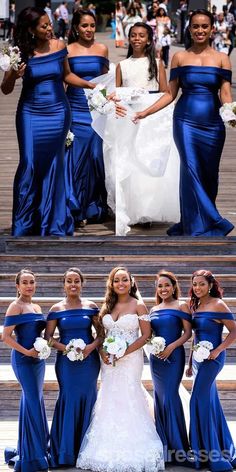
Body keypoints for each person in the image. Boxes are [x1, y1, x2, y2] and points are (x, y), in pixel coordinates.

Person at [132, 9, 234, 237]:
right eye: (195, 26)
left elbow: (226, 94)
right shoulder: (180, 57)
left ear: (211, 29)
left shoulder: (222, 58)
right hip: (185, 121)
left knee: (209, 174)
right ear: (189, 29)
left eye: (204, 26)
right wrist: (145, 112)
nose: (200, 30)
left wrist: (232, 115)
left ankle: (199, 220)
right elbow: (170, 94)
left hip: (213, 125)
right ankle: (210, 223)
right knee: (190, 170)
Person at [0, 7, 96, 236]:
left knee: (55, 165)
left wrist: (92, 86)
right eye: (43, 26)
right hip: (30, 113)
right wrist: (14, 74)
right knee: (30, 164)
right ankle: (24, 223)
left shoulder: (59, 46)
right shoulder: (19, 52)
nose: (49, 28)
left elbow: (66, 76)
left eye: (49, 23)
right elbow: (5, 89)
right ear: (31, 29)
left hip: (59, 112)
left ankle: (52, 222)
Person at [76, 266, 165, 472]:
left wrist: (124, 352)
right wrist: (103, 353)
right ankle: (104, 446)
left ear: (131, 282)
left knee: (129, 394)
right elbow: (101, 334)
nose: (121, 284)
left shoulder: (139, 306)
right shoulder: (107, 305)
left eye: (124, 279)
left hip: (131, 359)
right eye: (116, 280)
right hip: (108, 361)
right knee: (108, 395)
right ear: (112, 283)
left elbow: (145, 336)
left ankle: (135, 445)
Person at [115, 22, 180, 235]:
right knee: (132, 161)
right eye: (133, 35)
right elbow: (117, 93)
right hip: (131, 116)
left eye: (141, 35)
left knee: (149, 159)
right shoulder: (122, 65)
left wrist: (152, 110)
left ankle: (150, 209)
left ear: (149, 39)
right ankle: (134, 209)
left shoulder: (157, 63)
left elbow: (164, 91)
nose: (136, 39)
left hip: (151, 115)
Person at [45, 268, 103, 468]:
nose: (73, 284)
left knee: (89, 397)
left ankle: (86, 450)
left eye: (76, 281)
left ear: (82, 283)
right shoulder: (56, 309)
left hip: (89, 361)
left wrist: (89, 349)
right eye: (69, 281)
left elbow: (101, 335)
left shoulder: (91, 306)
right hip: (66, 363)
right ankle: (65, 451)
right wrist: (67, 349)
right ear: (63, 284)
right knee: (68, 398)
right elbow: (48, 338)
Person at [186, 270, 236, 471]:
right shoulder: (195, 305)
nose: (198, 288)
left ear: (210, 285)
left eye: (201, 284)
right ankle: (218, 450)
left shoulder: (218, 304)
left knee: (197, 399)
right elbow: (195, 337)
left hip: (213, 359)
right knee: (210, 402)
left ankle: (210, 454)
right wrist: (190, 363)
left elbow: (234, 330)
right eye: (195, 284)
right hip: (199, 359)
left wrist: (218, 351)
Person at [65, 9, 109, 228]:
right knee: (77, 158)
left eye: (92, 25)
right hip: (75, 107)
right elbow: (64, 78)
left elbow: (108, 79)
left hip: (97, 109)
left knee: (95, 158)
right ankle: (77, 208)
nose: (89, 29)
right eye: (84, 25)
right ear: (76, 28)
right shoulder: (68, 50)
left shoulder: (102, 49)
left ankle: (94, 206)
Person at [2, 269, 49, 472]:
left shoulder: (36, 305)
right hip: (23, 359)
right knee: (31, 401)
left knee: (35, 401)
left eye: (32, 282)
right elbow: (6, 336)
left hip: (38, 360)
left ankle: (34, 447)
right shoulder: (15, 306)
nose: (29, 286)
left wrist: (42, 348)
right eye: (25, 283)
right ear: (17, 286)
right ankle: (31, 455)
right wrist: (26, 352)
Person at [149, 271, 192, 464]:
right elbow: (149, 334)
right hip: (156, 359)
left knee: (171, 396)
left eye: (167, 285)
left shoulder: (181, 305)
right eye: (160, 286)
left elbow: (188, 332)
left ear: (174, 286)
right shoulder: (154, 309)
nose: (163, 289)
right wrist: (153, 346)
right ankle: (164, 446)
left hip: (174, 356)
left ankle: (179, 447)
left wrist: (172, 347)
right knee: (159, 398)